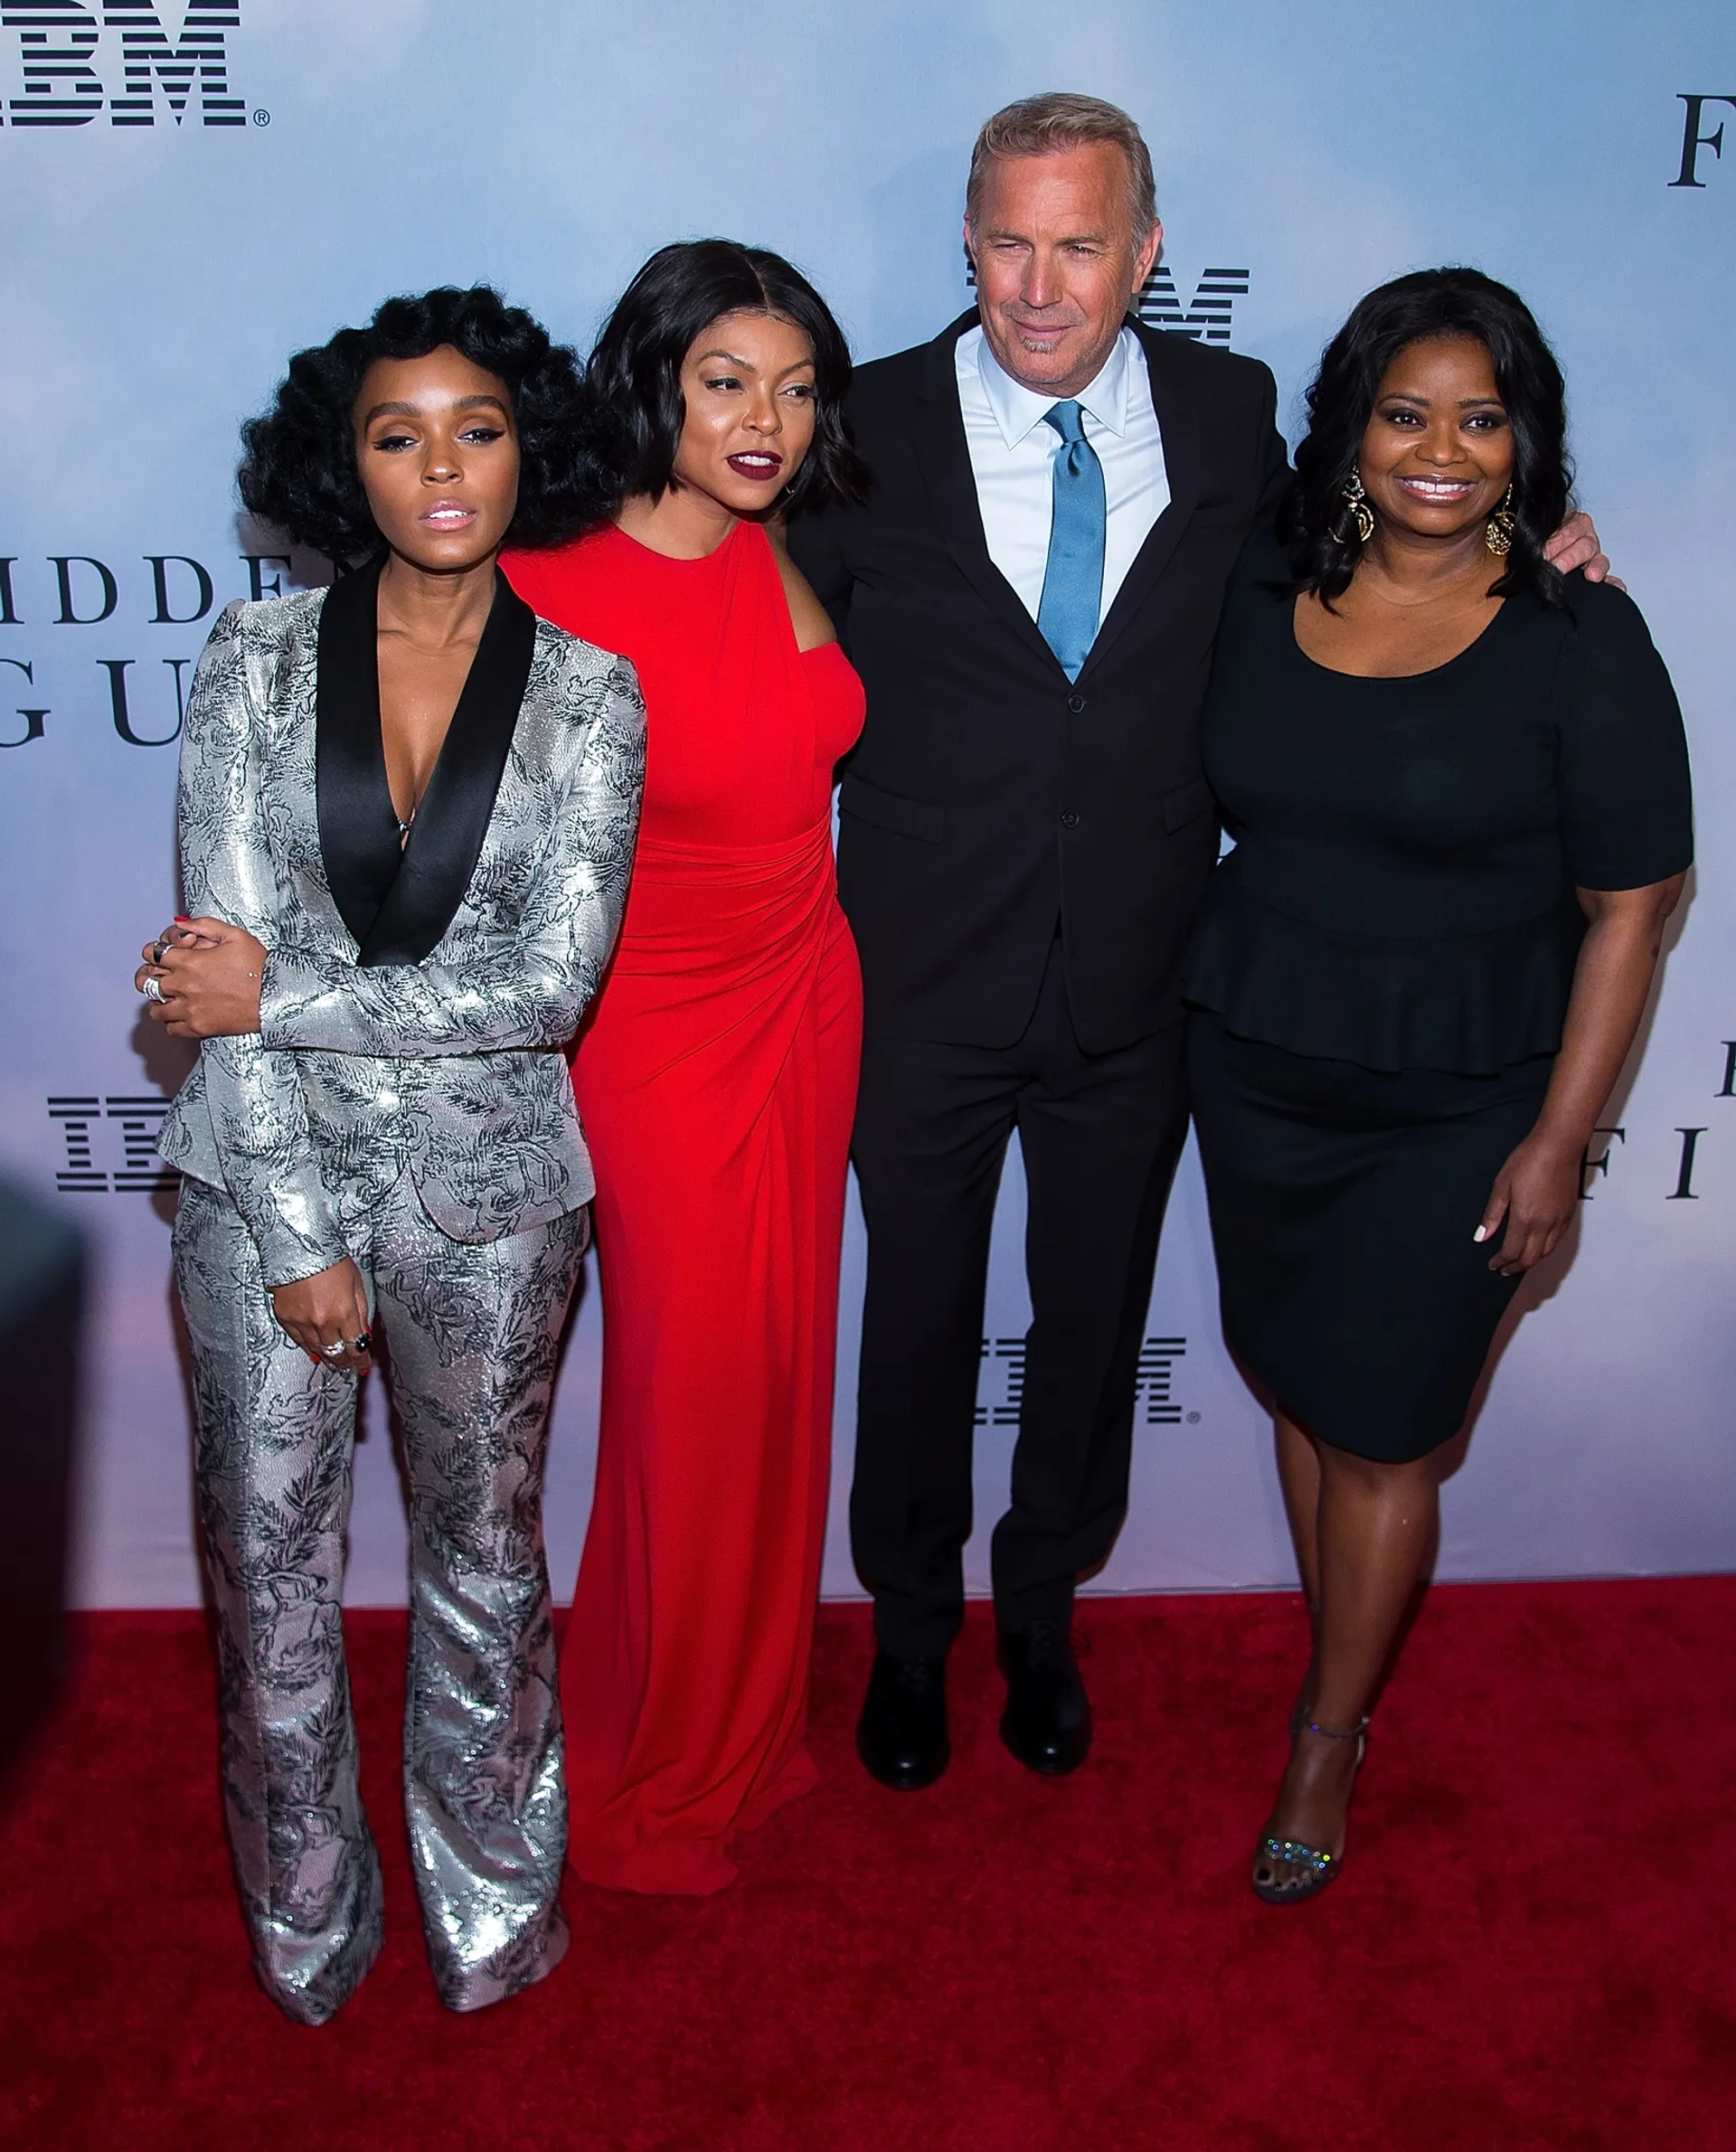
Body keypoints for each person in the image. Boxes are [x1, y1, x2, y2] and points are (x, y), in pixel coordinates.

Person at [788, 92, 1616, 1791]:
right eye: (1009, 241)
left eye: (1079, 244)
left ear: (1145, 253)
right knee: (920, 1321)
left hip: (1147, 975)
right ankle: (914, 1628)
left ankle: (1040, 1618)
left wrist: (1545, 545)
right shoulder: (858, 422)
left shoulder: (1234, 415)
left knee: (1090, 1327)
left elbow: (1397, 532)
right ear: (967, 239)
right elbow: (743, 606)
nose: (1039, 284)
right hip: (920, 977)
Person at [134, 288, 645, 2020]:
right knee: (268, 1584)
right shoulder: (250, 661)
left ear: (530, 452)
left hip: (496, 1206)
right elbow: (209, 981)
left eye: (478, 427)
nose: (442, 464)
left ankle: (492, 1916)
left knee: (487, 1577)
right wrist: (291, 1236)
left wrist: (285, 989)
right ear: (341, 464)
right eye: (397, 431)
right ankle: (304, 1925)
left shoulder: (591, 695)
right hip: (255, 1193)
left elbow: (545, 987)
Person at [1182, 268, 1692, 1902]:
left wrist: (1562, 1144)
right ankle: (1342, 1661)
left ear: (1527, 442)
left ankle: (1328, 1739)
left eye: (1484, 419)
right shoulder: (1268, 573)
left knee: (1391, 1433)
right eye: (1408, 414)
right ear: (1353, 432)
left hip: (1465, 1101)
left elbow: (1638, 905)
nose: (1443, 451)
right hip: (1259, 1070)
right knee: (1307, 1393)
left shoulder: (1581, 639)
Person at [504, 241, 870, 1893]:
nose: (766, 419)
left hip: (810, 991)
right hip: (656, 1031)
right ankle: (657, 1764)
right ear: (650, 378)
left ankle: (744, 1720)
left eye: (795, 388)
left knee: (782, 1381)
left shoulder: (765, 533)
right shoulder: (543, 586)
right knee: (692, 1395)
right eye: (726, 382)